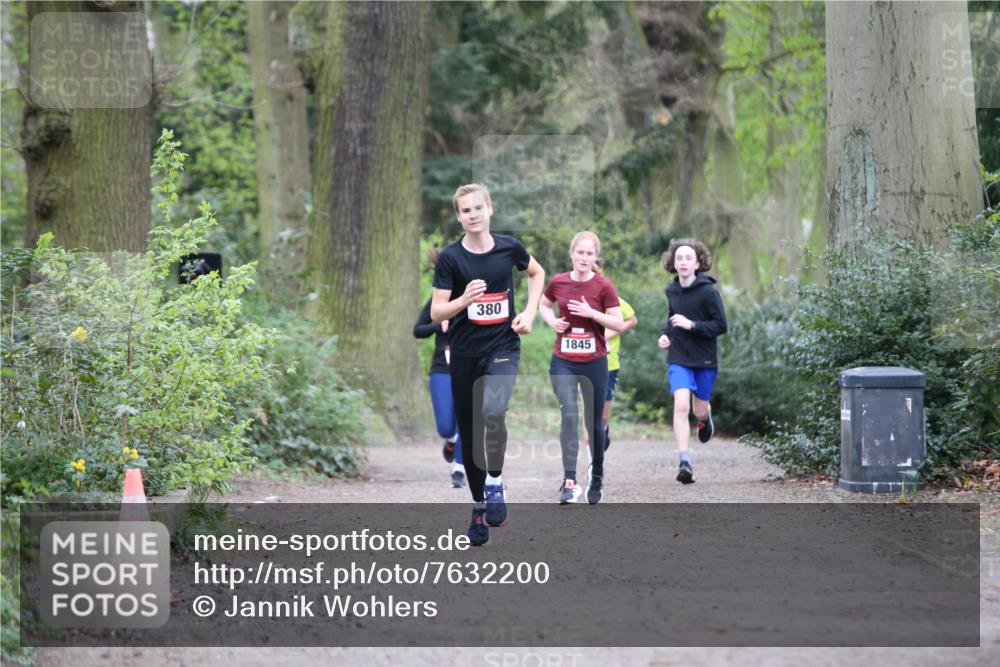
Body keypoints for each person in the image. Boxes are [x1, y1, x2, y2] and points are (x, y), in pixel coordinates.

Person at [431, 183, 545, 545]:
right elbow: (437, 312)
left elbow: (537, 273)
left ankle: (495, 483)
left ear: (489, 209)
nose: (473, 215)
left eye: (478, 208)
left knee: (494, 411)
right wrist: (463, 300)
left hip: (503, 346)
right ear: (459, 216)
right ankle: (479, 506)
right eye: (466, 210)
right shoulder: (451, 258)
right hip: (465, 353)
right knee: (471, 435)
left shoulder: (509, 247)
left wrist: (529, 312)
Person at [539, 232, 623, 505]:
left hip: (594, 361)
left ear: (595, 257)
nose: (584, 258)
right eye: (580, 252)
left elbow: (619, 322)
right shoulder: (558, 281)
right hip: (563, 359)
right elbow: (544, 304)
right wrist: (552, 322)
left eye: (590, 254)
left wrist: (592, 313)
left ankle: (596, 475)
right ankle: (569, 481)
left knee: (593, 422)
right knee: (569, 415)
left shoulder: (603, 286)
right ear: (572, 254)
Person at [657, 238, 727, 484]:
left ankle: (705, 419)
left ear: (698, 263)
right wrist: (665, 335)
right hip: (679, 357)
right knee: (680, 405)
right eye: (679, 258)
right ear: (673, 264)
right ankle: (684, 461)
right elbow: (671, 317)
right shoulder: (672, 291)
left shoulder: (709, 292)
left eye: (689, 258)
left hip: (704, 359)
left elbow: (721, 325)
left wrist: (692, 325)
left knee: (698, 409)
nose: (684, 262)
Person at [413, 248, 465, 488]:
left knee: (466, 419)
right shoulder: (437, 301)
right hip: (442, 368)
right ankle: (451, 440)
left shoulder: (474, 298)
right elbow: (418, 330)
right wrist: (437, 326)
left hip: (469, 365)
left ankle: (459, 468)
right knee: (446, 426)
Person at [596, 257, 638, 453]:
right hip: (584, 360)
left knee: (603, 415)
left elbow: (632, 320)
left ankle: (603, 428)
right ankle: (593, 453)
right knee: (590, 409)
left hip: (609, 362)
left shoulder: (610, 298)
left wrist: (608, 334)